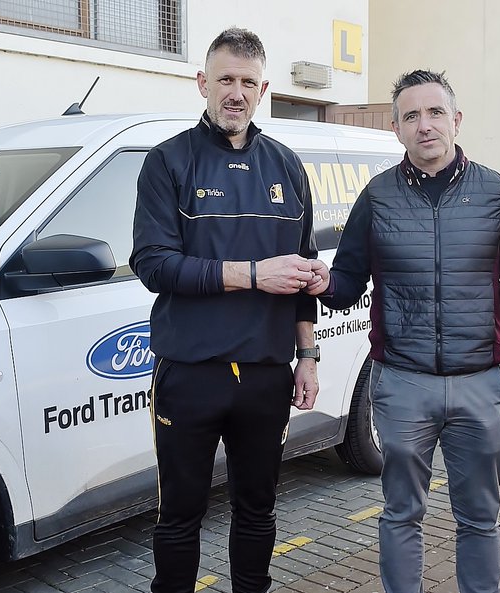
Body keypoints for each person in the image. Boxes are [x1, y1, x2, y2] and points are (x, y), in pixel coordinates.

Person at [315, 69, 500, 593]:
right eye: (411, 116)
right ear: (397, 129)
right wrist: (319, 281)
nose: (425, 125)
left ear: (456, 121)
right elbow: (347, 281)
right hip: (402, 386)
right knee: (400, 514)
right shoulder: (377, 196)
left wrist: (483, 333)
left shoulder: (494, 191)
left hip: (478, 384)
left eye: (435, 112)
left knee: (480, 517)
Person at [130, 27, 329, 593]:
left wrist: (308, 356)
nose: (235, 93)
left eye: (247, 82)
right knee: (180, 514)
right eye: (224, 80)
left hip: (266, 376)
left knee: (257, 510)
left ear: (262, 89)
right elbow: (153, 265)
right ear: (202, 84)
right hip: (190, 373)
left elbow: (302, 270)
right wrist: (251, 275)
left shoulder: (287, 166)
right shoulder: (168, 162)